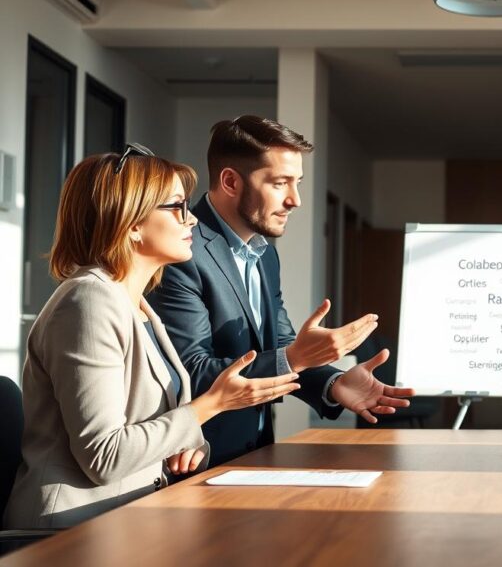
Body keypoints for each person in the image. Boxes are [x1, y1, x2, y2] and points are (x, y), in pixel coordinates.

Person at [4, 146, 300, 529]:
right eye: (177, 207)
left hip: (128, 516)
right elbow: (105, 457)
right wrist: (211, 406)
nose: (191, 219)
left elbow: (145, 428)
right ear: (131, 223)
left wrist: (183, 447)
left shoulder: (138, 304)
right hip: (69, 532)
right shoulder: (88, 302)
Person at [148, 116, 414, 467]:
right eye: (280, 183)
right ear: (230, 181)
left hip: (254, 451)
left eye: (297, 182)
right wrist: (296, 357)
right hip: (197, 459)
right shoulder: (181, 251)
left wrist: (334, 383)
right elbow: (191, 373)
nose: (295, 200)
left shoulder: (264, 253)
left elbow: (281, 346)